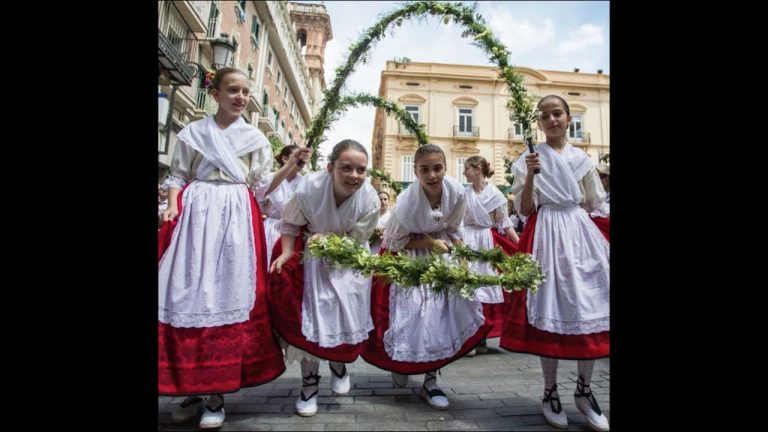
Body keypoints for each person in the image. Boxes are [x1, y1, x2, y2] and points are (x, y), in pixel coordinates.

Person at [157, 67, 310, 429]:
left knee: (226, 295)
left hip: (237, 216)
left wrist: (288, 166)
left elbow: (260, 188)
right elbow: (178, 175)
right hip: (197, 214)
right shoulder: (194, 132)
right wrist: (174, 204)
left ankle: (216, 394)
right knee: (189, 295)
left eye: (245, 91)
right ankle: (190, 389)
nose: (240, 97)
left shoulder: (255, 137)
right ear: (216, 94)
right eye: (233, 90)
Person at [500, 95, 610, 431]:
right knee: (553, 305)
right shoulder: (527, 160)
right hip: (546, 232)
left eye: (557, 113)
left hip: (579, 234)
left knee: (586, 304)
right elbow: (524, 208)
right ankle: (549, 391)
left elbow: (595, 202)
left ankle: (584, 390)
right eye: (544, 116)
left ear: (568, 118)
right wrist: (532, 174)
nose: (551, 120)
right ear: (539, 123)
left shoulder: (582, 159)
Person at [362, 144, 491, 410]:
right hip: (412, 258)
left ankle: (431, 381)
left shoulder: (456, 192)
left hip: (443, 256)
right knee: (412, 316)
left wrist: (463, 260)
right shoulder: (407, 204)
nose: (432, 175)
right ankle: (403, 363)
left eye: (437, 168)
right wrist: (429, 245)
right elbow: (395, 242)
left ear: (445, 167)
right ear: (416, 171)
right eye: (425, 170)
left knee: (440, 316)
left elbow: (455, 229)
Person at [268, 139, 380, 417]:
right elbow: (290, 223)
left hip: (349, 260)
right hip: (313, 260)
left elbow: (358, 239)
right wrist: (286, 253)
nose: (354, 175)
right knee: (312, 319)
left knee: (342, 317)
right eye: (347, 168)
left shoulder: (370, 199)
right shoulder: (309, 188)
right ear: (330, 168)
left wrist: (330, 238)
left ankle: (338, 364)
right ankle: (309, 384)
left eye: (361, 170)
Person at [460, 156, 519, 357]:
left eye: (466, 168)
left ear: (477, 169)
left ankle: (480, 339)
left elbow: (505, 223)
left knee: (483, 287)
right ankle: (472, 337)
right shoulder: (463, 193)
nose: (463, 172)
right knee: (467, 286)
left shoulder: (496, 195)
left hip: (485, 241)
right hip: (466, 239)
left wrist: (520, 246)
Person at [257, 144, 306, 265]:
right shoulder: (270, 178)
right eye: (298, 157)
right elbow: (259, 201)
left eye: (304, 159)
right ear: (285, 159)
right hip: (270, 227)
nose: (302, 161)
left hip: (293, 232)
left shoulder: (305, 182)